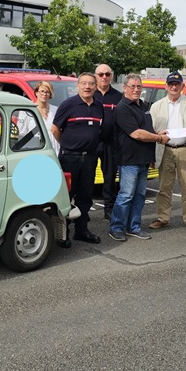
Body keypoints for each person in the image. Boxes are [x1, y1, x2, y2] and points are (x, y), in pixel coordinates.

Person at [108, 74, 166, 242]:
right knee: (126, 195)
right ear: (124, 88)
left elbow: (146, 129)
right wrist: (159, 139)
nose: (136, 89)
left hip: (143, 159)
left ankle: (134, 227)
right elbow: (137, 133)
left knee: (139, 195)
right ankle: (116, 227)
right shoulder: (122, 108)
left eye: (138, 87)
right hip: (129, 160)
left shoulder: (143, 106)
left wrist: (157, 134)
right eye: (132, 86)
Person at [148, 71, 186, 234]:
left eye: (177, 84)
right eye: (171, 84)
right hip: (164, 150)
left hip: (185, 149)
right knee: (164, 187)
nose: (174, 87)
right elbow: (151, 132)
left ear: (182, 86)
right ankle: (163, 218)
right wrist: (152, 155)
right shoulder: (156, 106)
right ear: (166, 86)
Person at [51, 72, 104, 247]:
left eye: (91, 84)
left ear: (96, 86)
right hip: (69, 158)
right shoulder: (68, 104)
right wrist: (68, 145)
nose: (87, 87)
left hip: (90, 159)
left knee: (85, 196)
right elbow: (55, 129)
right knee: (66, 197)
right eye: (84, 83)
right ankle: (62, 233)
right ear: (78, 86)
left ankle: (81, 230)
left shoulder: (98, 106)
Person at [94, 64, 123, 219]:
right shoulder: (90, 94)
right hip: (92, 143)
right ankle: (81, 209)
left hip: (111, 143)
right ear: (96, 76)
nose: (104, 77)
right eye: (101, 74)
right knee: (86, 177)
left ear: (111, 76)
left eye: (107, 74)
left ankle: (109, 209)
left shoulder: (118, 97)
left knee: (110, 178)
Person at [33, 80, 60, 154]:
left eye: (47, 92)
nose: (44, 94)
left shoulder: (56, 110)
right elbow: (22, 133)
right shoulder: (28, 110)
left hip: (54, 150)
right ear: (36, 93)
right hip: (34, 150)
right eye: (42, 91)